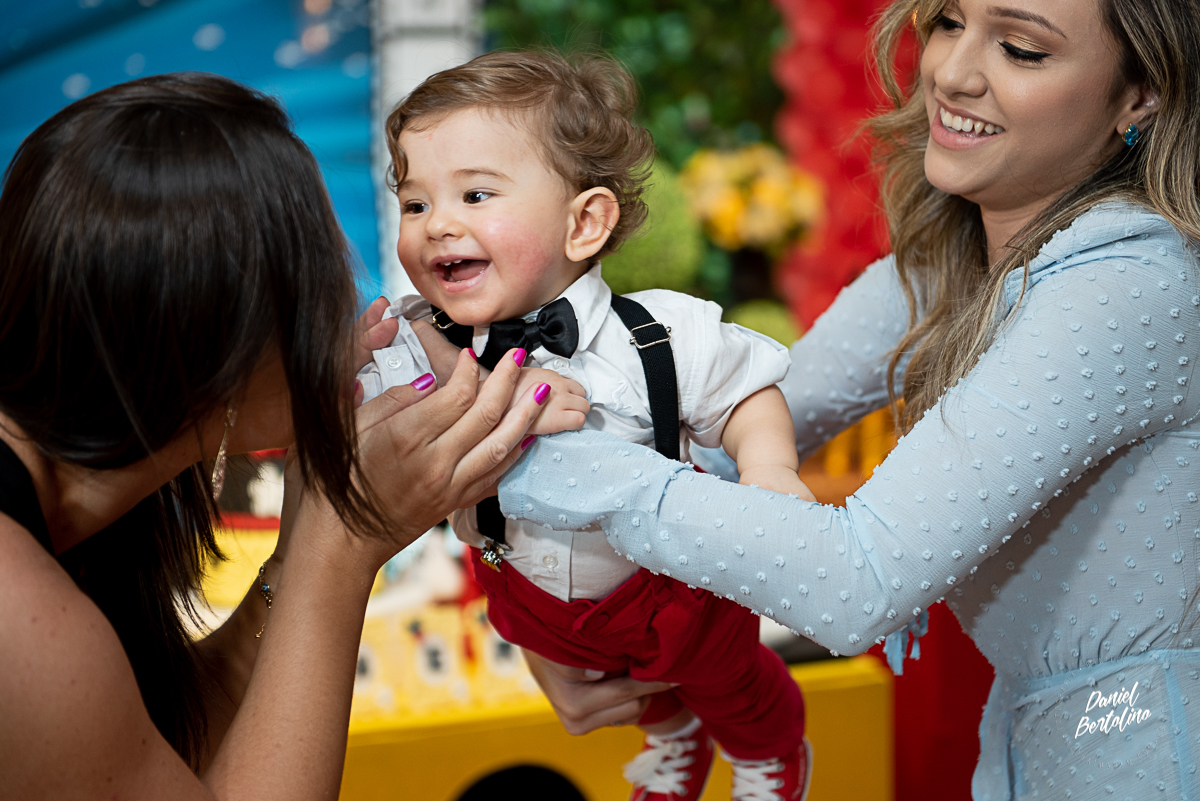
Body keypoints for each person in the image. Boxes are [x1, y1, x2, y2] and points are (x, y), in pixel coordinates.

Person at [489, 0, 1200, 797]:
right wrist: (556, 601)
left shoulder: (1132, 285)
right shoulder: (955, 259)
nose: (953, 73)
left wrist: (547, 464)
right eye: (948, 22)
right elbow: (732, 428)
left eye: (1022, 49)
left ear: (1142, 95)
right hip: (1037, 745)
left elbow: (857, 578)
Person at [0, 72, 568, 798]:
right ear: (224, 348)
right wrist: (338, 549)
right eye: (320, 285)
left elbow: (129, 755)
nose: (353, 325)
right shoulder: (19, 611)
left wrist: (303, 541)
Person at [362, 51, 814, 801]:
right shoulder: (419, 343)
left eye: (474, 194)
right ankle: (673, 741)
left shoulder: (659, 333)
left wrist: (769, 472)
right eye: (414, 204)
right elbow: (366, 419)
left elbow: (747, 394)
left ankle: (769, 753)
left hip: (672, 585)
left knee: (727, 676)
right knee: (624, 691)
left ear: (585, 222)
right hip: (527, 592)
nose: (437, 224)